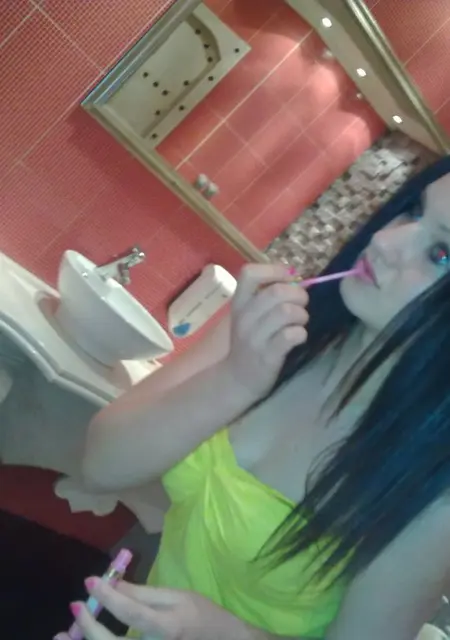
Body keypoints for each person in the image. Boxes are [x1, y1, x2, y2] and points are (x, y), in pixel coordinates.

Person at [59, 156, 450, 640]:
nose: (386, 241)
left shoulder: (434, 495)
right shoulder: (275, 331)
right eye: (413, 209)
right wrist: (236, 379)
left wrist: (222, 632)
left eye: (440, 254)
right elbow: (100, 465)